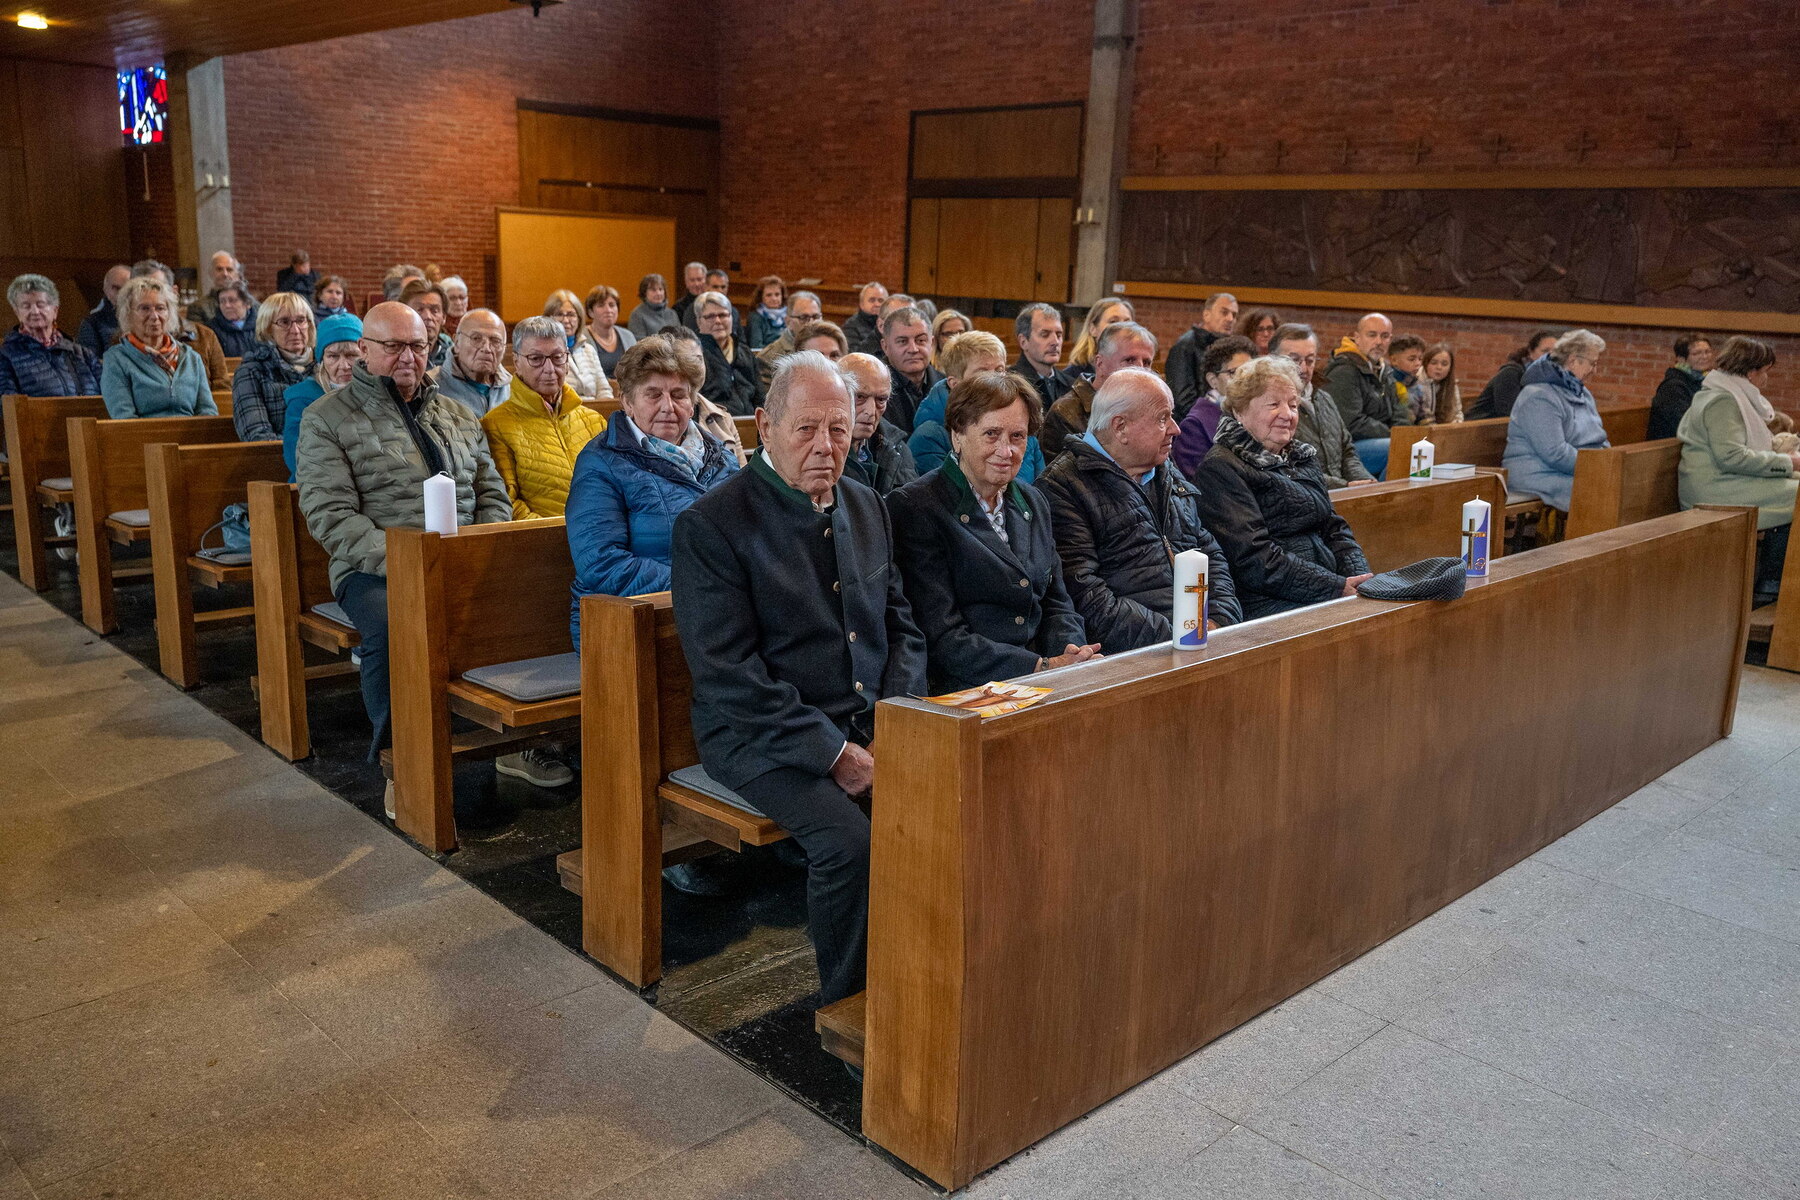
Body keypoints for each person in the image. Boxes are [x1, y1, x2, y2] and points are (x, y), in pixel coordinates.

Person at [670, 350, 926, 1006]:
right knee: (849, 844)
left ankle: (923, 986)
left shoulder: (866, 505)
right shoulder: (713, 524)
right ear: (765, 425)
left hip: (867, 719)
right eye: (807, 428)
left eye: (838, 429)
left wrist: (900, 718)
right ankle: (850, 1008)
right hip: (757, 736)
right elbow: (728, 675)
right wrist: (835, 753)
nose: (825, 446)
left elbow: (901, 626)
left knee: (945, 809)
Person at [293, 302, 523, 785]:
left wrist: (475, 551)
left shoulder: (457, 414)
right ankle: (400, 761)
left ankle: (513, 743)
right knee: (394, 624)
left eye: (418, 346)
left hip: (460, 556)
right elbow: (331, 517)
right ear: (365, 349)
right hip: (374, 569)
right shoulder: (326, 419)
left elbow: (492, 493)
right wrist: (410, 561)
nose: (408, 357)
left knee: (524, 605)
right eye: (394, 346)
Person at [890, 370, 1098, 692]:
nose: (1007, 450)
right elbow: (942, 636)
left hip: (1043, 678)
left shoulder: (1034, 500)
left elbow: (1057, 602)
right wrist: (1039, 667)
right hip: (966, 688)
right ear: (957, 435)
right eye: (991, 434)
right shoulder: (916, 507)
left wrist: (1071, 653)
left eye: (1017, 436)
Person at [1037, 369, 1240, 653]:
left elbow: (1208, 552)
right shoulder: (1064, 486)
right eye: (1162, 418)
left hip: (1199, 636)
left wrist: (1220, 620)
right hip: (1136, 653)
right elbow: (1085, 595)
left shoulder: (1164, 469)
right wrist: (1179, 635)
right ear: (1120, 427)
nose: (1176, 429)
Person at [565, 335, 738, 644]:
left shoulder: (721, 456)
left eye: (679, 395)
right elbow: (601, 562)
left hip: (719, 613)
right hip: (628, 623)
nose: (668, 406)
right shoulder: (600, 462)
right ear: (627, 402)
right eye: (653, 394)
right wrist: (701, 586)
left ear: (693, 402)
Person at [1193, 356, 1374, 619]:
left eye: (1293, 405)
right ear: (1240, 411)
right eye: (1273, 404)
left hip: (1327, 586)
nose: (1287, 415)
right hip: (1267, 601)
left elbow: (1334, 528)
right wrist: (1335, 587)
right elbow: (1255, 559)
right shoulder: (1221, 467)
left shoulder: (1302, 456)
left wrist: (1359, 578)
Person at [1676, 336, 1794, 602]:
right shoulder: (1723, 400)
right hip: (1713, 488)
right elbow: (1730, 457)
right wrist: (1789, 463)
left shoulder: (1727, 392)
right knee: (1797, 494)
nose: (1766, 379)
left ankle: (1773, 578)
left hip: (1726, 480)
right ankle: (1772, 583)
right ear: (1751, 372)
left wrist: (1786, 460)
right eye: (1765, 372)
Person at [482, 315, 606, 519]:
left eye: (557, 357)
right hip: (541, 534)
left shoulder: (594, 421)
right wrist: (551, 532)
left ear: (567, 359)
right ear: (517, 362)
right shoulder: (495, 425)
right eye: (536, 359)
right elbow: (507, 502)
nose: (549, 369)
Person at [910, 330, 1046, 482]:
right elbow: (946, 491)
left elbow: (1040, 489)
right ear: (955, 384)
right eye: (983, 373)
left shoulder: (1021, 428)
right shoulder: (929, 437)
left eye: (1000, 370)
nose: (995, 380)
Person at [1502, 329, 1610, 513]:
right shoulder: (1539, 396)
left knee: (1615, 485)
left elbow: (1600, 438)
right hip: (1536, 473)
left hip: (1567, 470)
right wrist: (1595, 466)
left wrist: (1608, 461)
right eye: (1592, 363)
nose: (1595, 370)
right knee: (1598, 491)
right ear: (1573, 361)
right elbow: (1555, 453)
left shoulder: (1582, 393)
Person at [1274, 323, 1375, 489]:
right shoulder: (1271, 408)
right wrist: (1345, 486)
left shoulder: (1324, 398)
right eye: (1294, 360)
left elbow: (1347, 451)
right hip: (1304, 493)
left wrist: (1365, 482)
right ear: (1273, 360)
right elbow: (1291, 467)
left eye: (1310, 360)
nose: (1303, 368)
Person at [101, 276, 216, 419]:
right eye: (144, 308)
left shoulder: (191, 358)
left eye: (160, 308)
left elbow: (207, 411)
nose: (154, 316)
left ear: (169, 313)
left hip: (192, 432)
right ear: (128, 314)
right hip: (143, 432)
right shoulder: (116, 359)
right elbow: (124, 418)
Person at [1041, 321, 1157, 460]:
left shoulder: (1150, 408)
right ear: (1100, 363)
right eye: (1129, 360)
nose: (1140, 370)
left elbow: (1165, 467)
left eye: (1147, 363)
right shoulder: (1065, 413)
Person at [1326, 312, 1408, 477]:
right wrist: (1393, 434)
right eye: (1372, 335)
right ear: (1357, 337)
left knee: (1413, 447)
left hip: (1380, 438)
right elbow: (1351, 422)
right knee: (1398, 449)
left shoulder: (1385, 371)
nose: (1378, 342)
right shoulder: (1344, 371)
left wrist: (1402, 433)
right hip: (1346, 448)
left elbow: (1399, 411)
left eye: (1384, 336)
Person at [281, 313, 362, 477]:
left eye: (351, 355)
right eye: (333, 356)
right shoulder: (304, 399)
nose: (344, 365)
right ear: (322, 360)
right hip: (318, 482)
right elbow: (296, 457)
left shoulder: (376, 393)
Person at [131, 259, 229, 389]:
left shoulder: (205, 337)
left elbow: (222, 389)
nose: (151, 297)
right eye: (142, 291)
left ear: (174, 292)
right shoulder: (124, 342)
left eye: (157, 289)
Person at [231, 292, 316, 442]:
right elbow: (257, 436)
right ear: (268, 329)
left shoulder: (325, 364)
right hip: (279, 454)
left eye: (301, 320)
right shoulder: (251, 371)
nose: (295, 330)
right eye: (284, 322)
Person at [0, 273, 101, 396]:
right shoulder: (6, 355)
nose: (35, 311)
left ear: (55, 310)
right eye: (26, 306)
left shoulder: (83, 354)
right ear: (17, 313)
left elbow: (109, 394)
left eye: (41, 304)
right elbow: (7, 402)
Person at [1172, 334, 1256, 478]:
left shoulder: (1258, 413)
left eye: (1251, 373)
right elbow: (1198, 483)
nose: (1245, 380)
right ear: (1213, 380)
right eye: (1235, 372)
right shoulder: (1194, 426)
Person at [839, 353, 917, 495]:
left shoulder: (898, 449)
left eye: (881, 400)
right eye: (860, 397)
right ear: (836, 393)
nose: (870, 411)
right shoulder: (819, 452)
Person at [1165, 292, 1238, 419]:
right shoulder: (1185, 346)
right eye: (1224, 312)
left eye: (1234, 315)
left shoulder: (1229, 347)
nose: (1230, 319)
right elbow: (1183, 401)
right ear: (1206, 315)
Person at [428, 309, 511, 418]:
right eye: (476, 338)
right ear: (457, 342)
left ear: (504, 348)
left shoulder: (512, 389)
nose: (486, 348)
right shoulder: (430, 386)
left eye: (495, 341)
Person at [1466, 329, 1559, 421]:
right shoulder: (1511, 373)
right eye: (1545, 351)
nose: (1551, 356)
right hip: (1479, 427)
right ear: (1531, 353)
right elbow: (1508, 414)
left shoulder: (1547, 380)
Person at [878, 304, 942, 434]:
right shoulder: (874, 390)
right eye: (902, 341)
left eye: (921, 340)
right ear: (885, 347)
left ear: (932, 343)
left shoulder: (947, 387)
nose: (913, 349)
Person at [696, 290, 759, 414]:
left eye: (723, 315)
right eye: (710, 316)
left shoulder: (745, 352)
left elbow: (760, 396)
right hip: (715, 421)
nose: (718, 321)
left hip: (751, 421)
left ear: (731, 318)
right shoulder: (695, 356)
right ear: (699, 321)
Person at [568, 284, 633, 400]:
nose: (608, 310)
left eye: (612, 305)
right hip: (596, 398)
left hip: (629, 395)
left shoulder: (627, 335)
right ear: (590, 312)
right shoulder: (581, 338)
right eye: (601, 305)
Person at [1648, 332, 1717, 440]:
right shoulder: (1673, 387)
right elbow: (1684, 424)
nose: (1704, 357)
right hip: (1671, 444)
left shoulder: (1708, 381)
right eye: (1696, 353)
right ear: (1681, 359)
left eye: (1707, 352)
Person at [755, 289, 824, 389]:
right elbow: (770, 398)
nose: (811, 323)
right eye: (803, 317)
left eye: (816, 317)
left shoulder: (831, 349)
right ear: (788, 321)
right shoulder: (768, 359)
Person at [1011, 302, 1074, 409]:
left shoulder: (1072, 385)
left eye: (1059, 335)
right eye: (1045, 334)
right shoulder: (1011, 385)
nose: (1055, 342)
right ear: (1023, 342)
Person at [1065, 298, 1135, 377]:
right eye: (1113, 322)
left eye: (1128, 323)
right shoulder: (1071, 376)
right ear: (1093, 329)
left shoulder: (1138, 369)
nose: (1122, 328)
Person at [77, 264, 130, 358]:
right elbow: (88, 363)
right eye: (116, 288)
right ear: (106, 290)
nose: (122, 294)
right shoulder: (92, 324)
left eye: (127, 288)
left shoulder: (148, 318)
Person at [188, 251, 254, 323]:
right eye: (219, 269)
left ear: (237, 274)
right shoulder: (198, 308)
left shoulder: (254, 306)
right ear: (211, 273)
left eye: (229, 270)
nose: (225, 274)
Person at [1385, 334, 1428, 425]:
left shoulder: (1416, 386)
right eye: (1411, 359)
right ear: (1394, 360)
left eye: (1420, 359)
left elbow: (1424, 416)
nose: (1418, 363)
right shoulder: (1387, 383)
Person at [1415, 343, 1462, 425]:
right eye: (1434, 363)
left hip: (1443, 428)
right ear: (1426, 364)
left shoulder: (1452, 384)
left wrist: (1456, 424)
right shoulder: (1416, 382)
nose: (1439, 367)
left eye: (1444, 364)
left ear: (1450, 367)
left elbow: (1457, 413)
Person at [206, 284, 259, 357]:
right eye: (222, 301)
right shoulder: (210, 330)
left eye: (232, 300)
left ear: (247, 304)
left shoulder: (262, 325)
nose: (227, 305)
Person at [841, 281, 888, 356]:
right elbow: (854, 356)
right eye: (872, 300)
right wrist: (877, 333)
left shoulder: (890, 324)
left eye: (881, 300)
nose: (877, 304)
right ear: (862, 304)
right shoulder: (850, 326)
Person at [628, 273, 679, 338]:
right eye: (653, 290)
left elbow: (680, 337)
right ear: (644, 293)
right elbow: (639, 341)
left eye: (660, 289)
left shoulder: (672, 313)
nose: (658, 293)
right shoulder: (637, 315)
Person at [747, 275, 788, 350]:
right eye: (769, 295)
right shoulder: (755, 317)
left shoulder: (789, 314)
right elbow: (756, 346)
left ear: (782, 296)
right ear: (761, 297)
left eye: (777, 294)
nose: (774, 298)